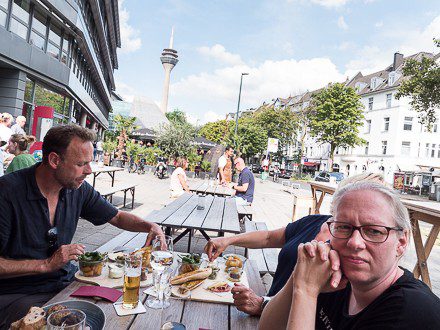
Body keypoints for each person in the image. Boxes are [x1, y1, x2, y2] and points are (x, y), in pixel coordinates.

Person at [0, 124, 164, 328]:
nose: (89, 170)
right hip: (16, 293)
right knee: (68, 322)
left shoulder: (77, 189)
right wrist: (46, 264)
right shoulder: (7, 193)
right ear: (54, 160)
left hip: (64, 282)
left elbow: (117, 217)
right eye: (81, 164)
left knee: (120, 307)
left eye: (89, 162)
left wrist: (150, 226)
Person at [259, 182, 440, 329]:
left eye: (374, 231)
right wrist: (300, 277)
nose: (354, 242)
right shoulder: (334, 277)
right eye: (344, 227)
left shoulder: (411, 312)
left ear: (401, 242)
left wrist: (306, 291)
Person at [204, 172, 385, 316]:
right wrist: (228, 240)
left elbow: (321, 307)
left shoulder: (351, 250)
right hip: (265, 308)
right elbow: (268, 237)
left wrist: (262, 305)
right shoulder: (315, 221)